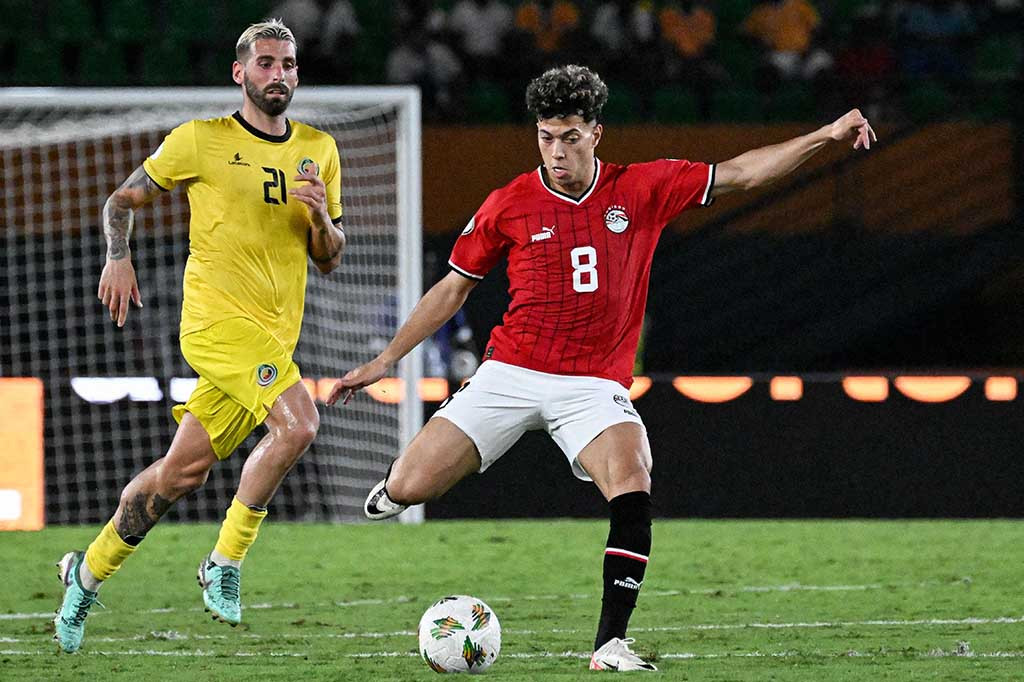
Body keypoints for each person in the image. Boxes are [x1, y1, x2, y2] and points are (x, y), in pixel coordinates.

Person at [328, 64, 874, 671]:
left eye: (568, 136)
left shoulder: (642, 187)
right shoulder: (508, 203)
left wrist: (824, 136)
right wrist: (384, 361)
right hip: (510, 372)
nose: (556, 151)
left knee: (634, 476)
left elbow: (743, 173)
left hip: (592, 385)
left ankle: (609, 643)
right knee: (412, 486)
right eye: (545, 137)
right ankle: (394, 486)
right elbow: (452, 291)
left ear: (596, 133)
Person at [53, 19, 346, 653]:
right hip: (214, 325)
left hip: (272, 340)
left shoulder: (319, 149)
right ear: (240, 74)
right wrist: (117, 256)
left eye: (289, 64)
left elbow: (329, 257)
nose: (279, 75)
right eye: (266, 63)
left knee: (178, 475)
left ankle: (87, 572)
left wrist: (321, 216)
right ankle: (226, 561)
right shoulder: (200, 141)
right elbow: (121, 201)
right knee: (299, 425)